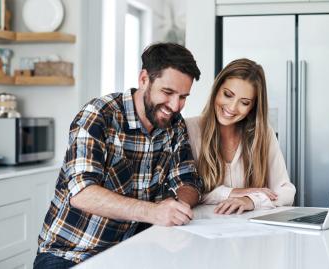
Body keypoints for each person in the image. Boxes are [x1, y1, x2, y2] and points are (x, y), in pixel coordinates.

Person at [34, 43, 203, 268]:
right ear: (144, 79)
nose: (175, 105)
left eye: (183, 96)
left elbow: (188, 182)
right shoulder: (99, 115)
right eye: (168, 92)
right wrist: (153, 212)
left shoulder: (174, 125)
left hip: (134, 250)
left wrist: (177, 207)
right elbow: (81, 193)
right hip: (71, 254)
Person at [185, 58, 295, 215]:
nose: (232, 107)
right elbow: (187, 193)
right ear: (216, 89)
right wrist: (233, 192)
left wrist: (251, 200)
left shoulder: (263, 133)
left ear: (252, 107)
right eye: (227, 95)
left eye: (244, 102)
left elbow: (286, 191)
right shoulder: (189, 129)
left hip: (249, 232)